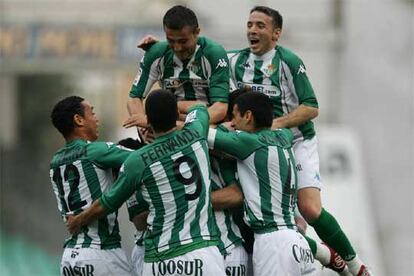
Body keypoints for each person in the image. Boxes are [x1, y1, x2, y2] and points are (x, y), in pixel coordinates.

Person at [227, 6, 372, 276]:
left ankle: (356, 266)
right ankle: (328, 256)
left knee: (309, 208)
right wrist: (159, 48)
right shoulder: (235, 61)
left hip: (294, 143)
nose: (252, 30)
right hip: (260, 149)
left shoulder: (289, 62)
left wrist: (275, 125)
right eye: (250, 24)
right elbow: (203, 54)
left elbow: (311, 107)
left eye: (260, 25)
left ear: (276, 33)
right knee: (271, 218)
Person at [67, 89, 226, 276]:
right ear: (175, 115)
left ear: (148, 122)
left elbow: (108, 203)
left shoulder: (137, 160)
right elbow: (199, 107)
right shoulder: (197, 132)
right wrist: (176, 105)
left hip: (160, 260)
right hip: (202, 253)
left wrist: (79, 220)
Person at [208, 91, 316, 275]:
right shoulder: (283, 136)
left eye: (234, 116)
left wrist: (222, 127)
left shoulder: (247, 143)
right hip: (298, 242)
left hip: (273, 244)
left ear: (248, 116)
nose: (233, 122)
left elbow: (197, 132)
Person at [49, 96, 133, 275]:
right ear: (78, 120)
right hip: (101, 252)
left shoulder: (55, 162)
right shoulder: (95, 151)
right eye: (92, 113)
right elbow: (145, 158)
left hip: (70, 257)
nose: (96, 119)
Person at [124, 5, 229, 131]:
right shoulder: (156, 54)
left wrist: (184, 124)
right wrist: (145, 129)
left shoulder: (213, 54)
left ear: (197, 33)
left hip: (205, 126)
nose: (177, 47)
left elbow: (220, 109)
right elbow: (134, 98)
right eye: (171, 41)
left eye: (183, 41)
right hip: (168, 127)